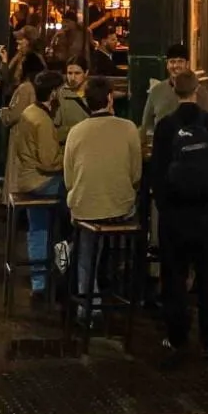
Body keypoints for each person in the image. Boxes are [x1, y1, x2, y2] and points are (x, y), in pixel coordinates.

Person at [148, 69, 208, 356]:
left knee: (174, 277)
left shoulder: (166, 127)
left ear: (174, 91)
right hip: (207, 214)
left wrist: (164, 203)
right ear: (197, 90)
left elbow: (157, 171)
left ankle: (176, 335)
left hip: (174, 216)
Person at [60, 78, 142, 298]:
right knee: (132, 215)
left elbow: (69, 179)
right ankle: (123, 285)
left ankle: (86, 303)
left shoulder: (75, 132)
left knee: (85, 246)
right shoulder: (129, 128)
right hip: (120, 209)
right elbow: (136, 175)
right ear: (109, 98)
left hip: (85, 209)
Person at [3, 68, 65, 299]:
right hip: (44, 182)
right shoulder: (43, 121)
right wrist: (69, 156)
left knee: (37, 230)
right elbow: (49, 162)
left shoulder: (29, 112)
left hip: (25, 182)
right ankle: (63, 273)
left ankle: (39, 282)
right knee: (70, 226)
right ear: (53, 94)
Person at [142, 43, 194, 137]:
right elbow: (146, 124)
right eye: (172, 62)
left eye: (180, 61)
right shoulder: (156, 91)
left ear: (187, 64)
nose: (175, 66)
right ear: (167, 64)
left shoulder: (198, 89)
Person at [50, 58, 93, 142]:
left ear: (86, 73)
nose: (73, 78)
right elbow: (55, 130)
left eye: (77, 73)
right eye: (69, 73)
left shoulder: (95, 93)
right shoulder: (60, 95)